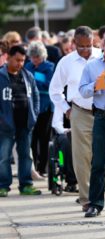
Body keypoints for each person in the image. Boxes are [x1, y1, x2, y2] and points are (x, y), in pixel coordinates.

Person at [49, 26, 102, 211]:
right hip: (79, 112)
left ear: (94, 42)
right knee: (82, 157)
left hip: (103, 111)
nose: (86, 50)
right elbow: (54, 90)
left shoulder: (102, 57)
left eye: (89, 45)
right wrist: (66, 109)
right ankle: (86, 199)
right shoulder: (66, 62)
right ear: (74, 44)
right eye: (81, 46)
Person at [79, 32, 105, 217]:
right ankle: (95, 203)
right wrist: (96, 86)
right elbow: (82, 91)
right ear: (103, 47)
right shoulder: (92, 66)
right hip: (102, 115)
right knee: (99, 162)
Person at [0, 45, 41, 197]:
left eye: (23, 60)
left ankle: (26, 185)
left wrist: (34, 115)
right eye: (17, 60)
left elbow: (36, 97)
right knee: (4, 156)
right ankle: (3, 185)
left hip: (25, 123)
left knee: (25, 155)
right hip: (5, 125)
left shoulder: (28, 75)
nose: (20, 63)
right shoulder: (0, 76)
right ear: (8, 57)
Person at [25, 41, 55, 176]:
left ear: (42, 56)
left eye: (37, 57)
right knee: (32, 138)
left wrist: (34, 81)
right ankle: (33, 168)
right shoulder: (27, 66)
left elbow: (49, 85)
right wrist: (38, 81)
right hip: (30, 107)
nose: (35, 60)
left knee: (44, 138)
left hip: (46, 107)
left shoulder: (50, 66)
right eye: (32, 57)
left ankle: (43, 168)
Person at [51, 104, 78, 192]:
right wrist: (66, 130)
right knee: (66, 141)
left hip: (84, 132)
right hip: (65, 133)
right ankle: (71, 180)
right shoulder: (61, 102)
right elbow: (57, 123)